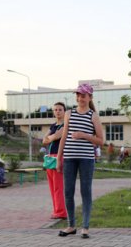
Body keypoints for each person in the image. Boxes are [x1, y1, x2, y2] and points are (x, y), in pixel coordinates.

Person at [56, 84, 104, 239]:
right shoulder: (69, 113)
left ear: (89, 97)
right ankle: (71, 225)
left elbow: (100, 141)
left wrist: (84, 135)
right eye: (78, 95)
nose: (80, 98)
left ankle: (85, 227)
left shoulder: (93, 116)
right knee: (68, 192)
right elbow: (63, 137)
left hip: (86, 159)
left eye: (83, 95)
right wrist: (59, 158)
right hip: (69, 158)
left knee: (85, 191)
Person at [42, 102, 67, 219]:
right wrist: (52, 137)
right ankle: (56, 210)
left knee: (58, 187)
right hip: (50, 158)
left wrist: (50, 137)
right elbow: (44, 140)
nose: (57, 111)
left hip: (59, 156)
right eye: (55, 109)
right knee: (52, 187)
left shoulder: (66, 125)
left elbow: (56, 137)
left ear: (64, 111)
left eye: (60, 109)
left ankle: (61, 212)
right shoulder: (53, 126)